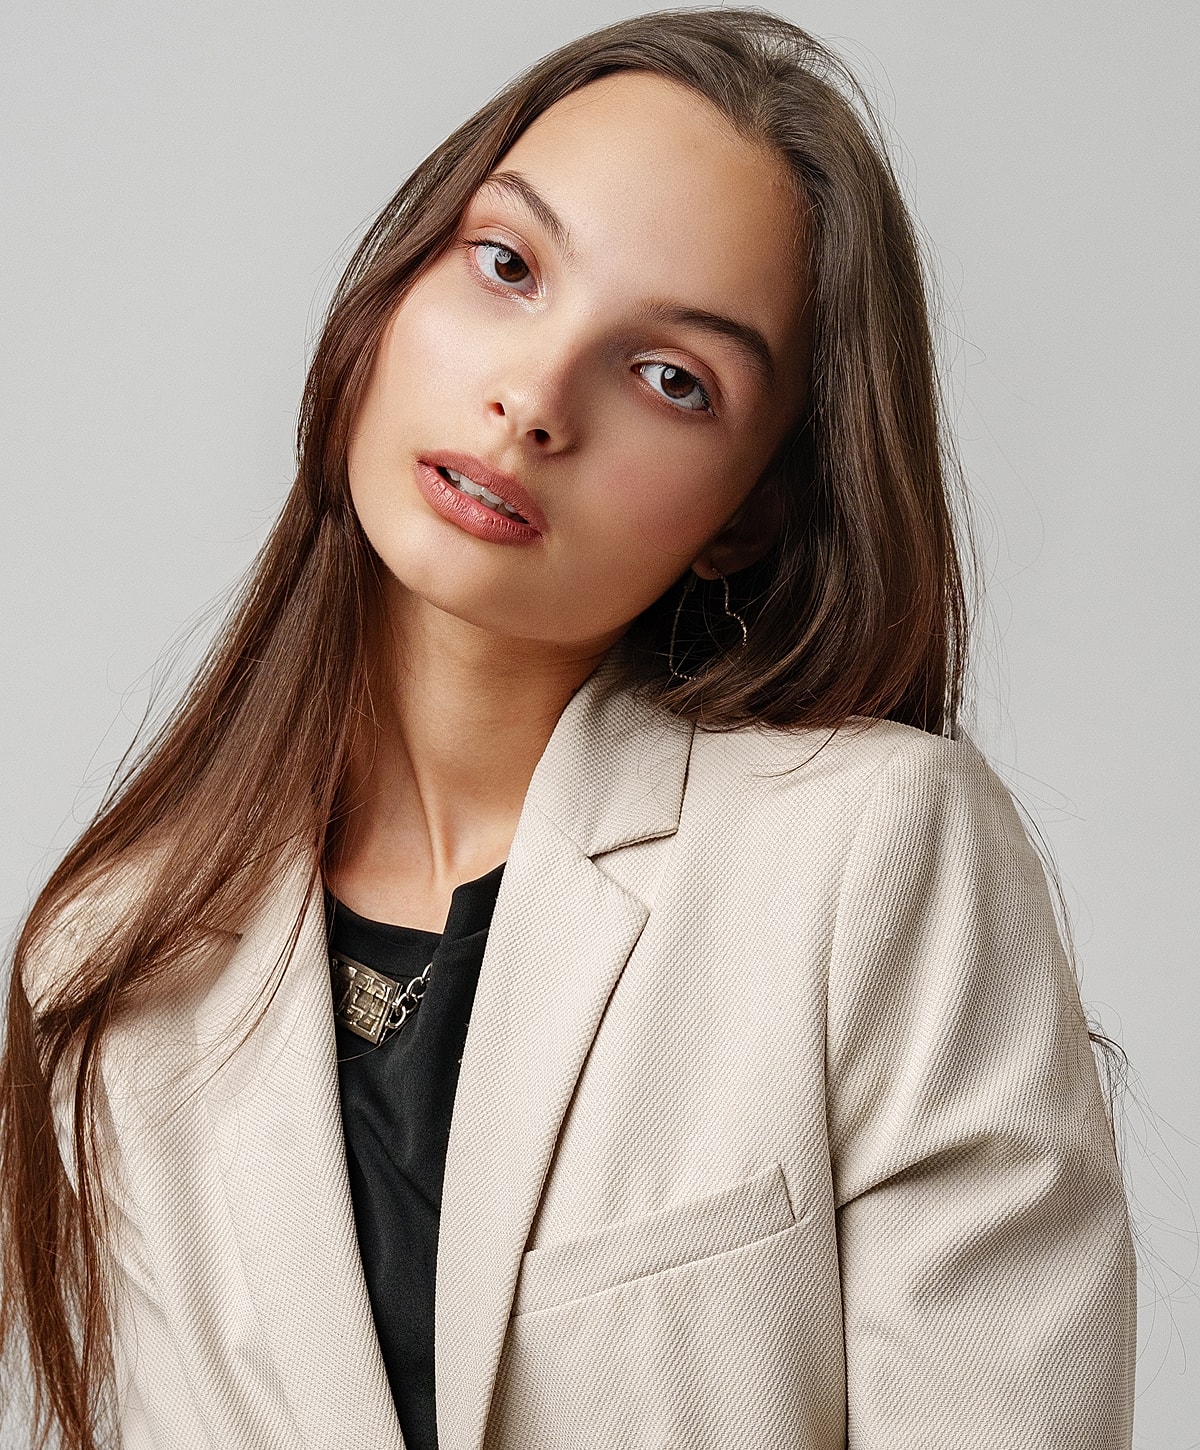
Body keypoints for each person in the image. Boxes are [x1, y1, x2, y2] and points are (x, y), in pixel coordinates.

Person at [0, 9, 1136, 1449]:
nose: (533, 400)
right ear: (395, 283)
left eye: (672, 377)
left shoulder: (871, 861)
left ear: (749, 515)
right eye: (508, 266)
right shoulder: (118, 961)